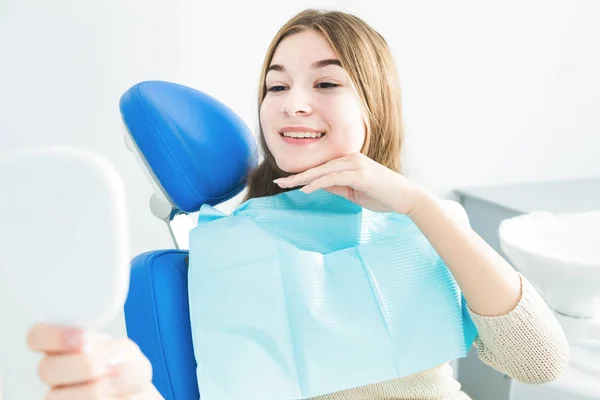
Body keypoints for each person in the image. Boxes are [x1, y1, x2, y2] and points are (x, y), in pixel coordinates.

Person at [26, 8, 569, 400]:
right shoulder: (232, 247)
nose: (294, 105)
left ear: (373, 103)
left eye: (326, 81)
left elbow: (539, 363)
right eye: (275, 87)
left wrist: (421, 208)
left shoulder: (427, 223)